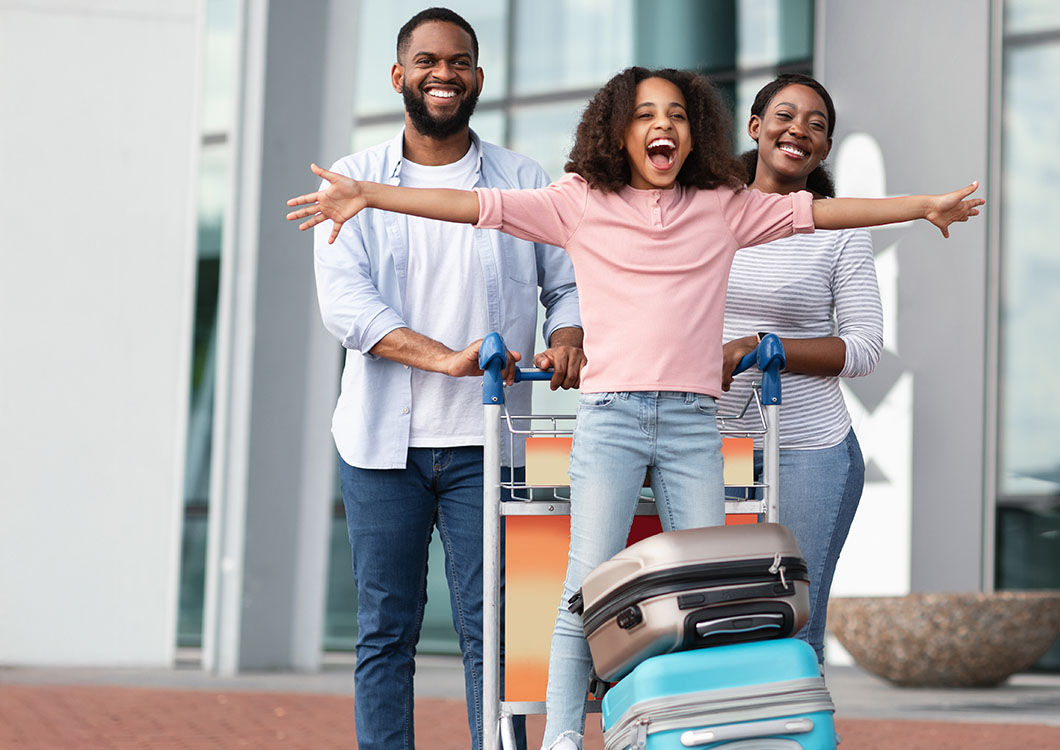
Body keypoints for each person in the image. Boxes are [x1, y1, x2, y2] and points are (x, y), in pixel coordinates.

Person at [287, 65, 982, 750]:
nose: (664, 126)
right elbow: (478, 208)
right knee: (584, 585)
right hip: (610, 420)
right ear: (619, 131)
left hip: (692, 424)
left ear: (696, 132)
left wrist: (920, 207)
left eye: (677, 115)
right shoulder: (578, 202)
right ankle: (563, 736)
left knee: (705, 594)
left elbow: (824, 213)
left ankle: (695, 730)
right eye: (647, 114)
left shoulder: (724, 207)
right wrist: (370, 196)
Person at [309, 8, 583, 750]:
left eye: (459, 62)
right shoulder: (354, 181)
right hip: (380, 447)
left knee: (495, 634)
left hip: (490, 443)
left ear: (479, 78)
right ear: (399, 76)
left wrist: (566, 333)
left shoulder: (523, 180)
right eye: (427, 61)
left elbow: (567, 284)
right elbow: (348, 308)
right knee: (384, 634)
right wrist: (444, 358)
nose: (444, 74)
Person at [719, 73, 877, 666]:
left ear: (825, 150)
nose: (799, 132)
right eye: (785, 117)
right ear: (756, 128)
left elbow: (863, 349)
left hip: (810, 449)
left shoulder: (836, 227)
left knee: (793, 626)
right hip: (707, 443)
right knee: (716, 621)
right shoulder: (706, 212)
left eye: (817, 126)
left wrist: (764, 345)